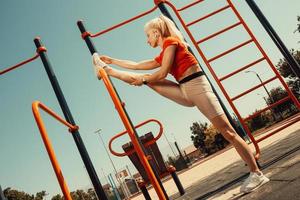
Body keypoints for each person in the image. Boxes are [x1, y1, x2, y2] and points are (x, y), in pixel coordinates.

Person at [96, 15, 269, 193]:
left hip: (198, 88)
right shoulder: (164, 52)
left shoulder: (171, 42)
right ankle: (107, 69)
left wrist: (144, 80)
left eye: (148, 36)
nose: (147, 40)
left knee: (228, 132)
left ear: (156, 33)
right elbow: (138, 65)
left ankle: (257, 173)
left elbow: (162, 73)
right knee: (148, 80)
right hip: (184, 89)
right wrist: (113, 60)